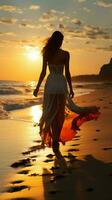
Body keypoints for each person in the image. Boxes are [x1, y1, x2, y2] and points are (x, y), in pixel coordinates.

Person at [33, 31, 100, 159]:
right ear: (58, 41)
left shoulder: (47, 53)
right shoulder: (65, 54)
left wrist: (37, 88)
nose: (61, 42)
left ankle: (55, 140)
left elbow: (43, 72)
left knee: (51, 113)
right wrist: (71, 88)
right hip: (61, 85)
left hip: (51, 84)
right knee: (60, 114)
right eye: (61, 40)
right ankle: (56, 140)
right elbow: (67, 73)